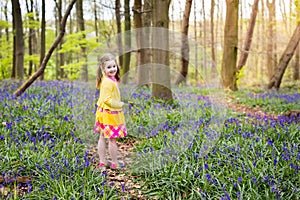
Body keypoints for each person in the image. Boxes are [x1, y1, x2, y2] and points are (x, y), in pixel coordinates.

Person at [94, 53, 127, 170]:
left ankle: (102, 162)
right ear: (103, 69)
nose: (112, 69)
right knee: (112, 139)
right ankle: (114, 163)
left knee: (103, 136)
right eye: (109, 67)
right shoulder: (108, 82)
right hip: (109, 114)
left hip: (103, 112)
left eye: (114, 66)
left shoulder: (107, 79)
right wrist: (119, 104)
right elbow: (107, 99)